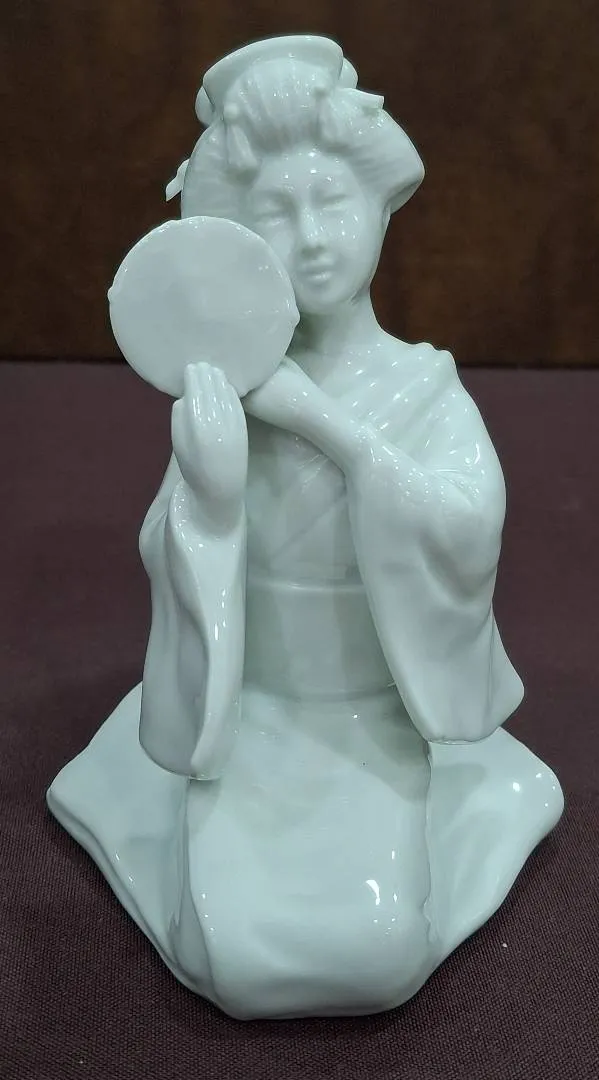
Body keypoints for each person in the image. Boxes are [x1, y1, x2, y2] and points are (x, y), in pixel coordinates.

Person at [134, 36, 524, 1016]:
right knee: (231, 952)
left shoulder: (422, 390)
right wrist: (211, 499)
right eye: (275, 212)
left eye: (334, 201)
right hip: (257, 715)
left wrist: (328, 429)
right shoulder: (232, 387)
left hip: (371, 716)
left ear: (381, 206)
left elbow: (466, 531)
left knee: (375, 952)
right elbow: (169, 549)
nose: (311, 236)